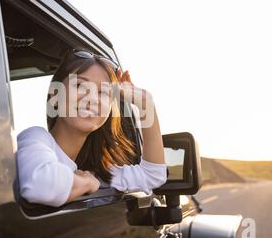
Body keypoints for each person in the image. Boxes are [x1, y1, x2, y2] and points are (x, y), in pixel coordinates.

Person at [16, 49, 167, 207]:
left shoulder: (97, 173)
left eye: (103, 92)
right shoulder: (36, 138)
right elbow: (40, 186)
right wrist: (87, 183)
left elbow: (153, 176)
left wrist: (146, 103)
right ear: (55, 96)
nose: (93, 99)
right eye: (80, 86)